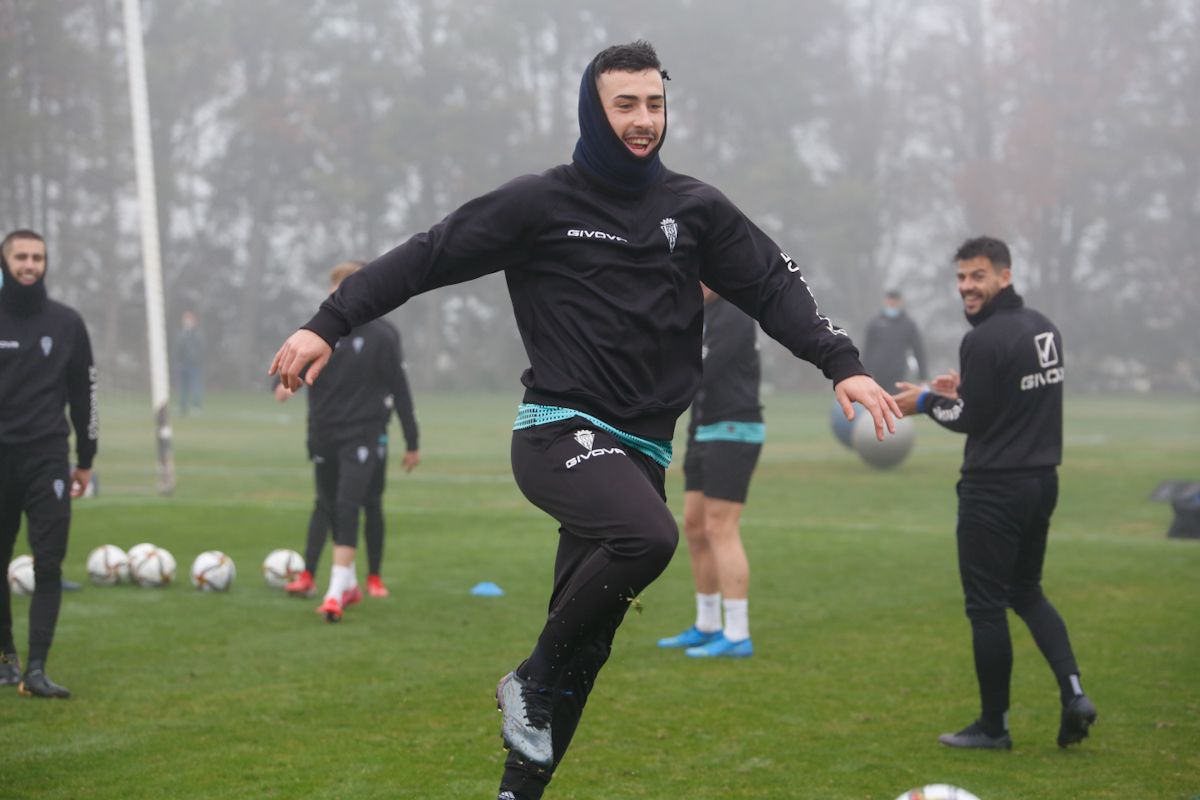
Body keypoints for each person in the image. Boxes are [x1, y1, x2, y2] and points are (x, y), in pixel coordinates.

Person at [270, 41, 899, 800]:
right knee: (650, 538)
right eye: (625, 105)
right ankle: (527, 679)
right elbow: (426, 256)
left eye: (654, 104)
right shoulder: (539, 203)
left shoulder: (695, 209)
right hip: (557, 430)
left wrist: (843, 362)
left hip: (640, 451)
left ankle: (517, 786)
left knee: (586, 649)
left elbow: (773, 282)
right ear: (593, 110)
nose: (643, 121)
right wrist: (327, 324)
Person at [893, 235, 1097, 750]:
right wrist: (959, 389)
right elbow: (1011, 397)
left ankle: (993, 726)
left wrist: (924, 402)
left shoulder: (984, 339)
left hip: (993, 489)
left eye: (977, 276)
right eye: (961, 277)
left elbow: (973, 419)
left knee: (985, 607)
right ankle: (1074, 693)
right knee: (1027, 591)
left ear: (1005, 275)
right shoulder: (1042, 329)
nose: (967, 287)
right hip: (1041, 481)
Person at [274, 261, 419, 620]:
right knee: (326, 502)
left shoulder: (383, 336)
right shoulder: (318, 333)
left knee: (351, 503)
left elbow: (401, 390)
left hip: (366, 434)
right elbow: (287, 368)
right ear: (330, 292)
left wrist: (412, 440)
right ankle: (336, 580)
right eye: (338, 290)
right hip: (324, 433)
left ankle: (337, 590)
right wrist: (282, 384)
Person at [0, 229, 98, 699]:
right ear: (5, 260)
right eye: (20, 256)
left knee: (49, 564)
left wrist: (87, 459)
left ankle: (35, 670)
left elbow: (86, 395)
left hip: (48, 459)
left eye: (37, 257)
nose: (29, 264)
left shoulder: (67, 322)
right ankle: (5, 660)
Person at [657, 283, 762, 658]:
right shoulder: (697, 314)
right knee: (696, 527)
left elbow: (701, 371)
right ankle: (707, 624)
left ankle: (737, 634)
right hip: (702, 430)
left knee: (721, 527)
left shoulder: (735, 313)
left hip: (734, 429)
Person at [863, 289, 927, 392]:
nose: (892, 304)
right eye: (889, 301)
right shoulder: (875, 323)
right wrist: (865, 373)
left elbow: (918, 351)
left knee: (896, 403)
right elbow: (868, 350)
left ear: (900, 302)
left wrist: (922, 377)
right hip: (877, 374)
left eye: (894, 302)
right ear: (885, 301)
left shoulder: (908, 324)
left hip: (898, 374)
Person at [174, 310, 204, 415]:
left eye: (189, 320)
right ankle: (183, 407)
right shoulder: (181, 334)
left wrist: (196, 360)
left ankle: (196, 407)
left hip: (194, 365)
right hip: (182, 365)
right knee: (183, 388)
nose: (187, 322)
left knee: (195, 386)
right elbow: (178, 349)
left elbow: (200, 349)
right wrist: (178, 361)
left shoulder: (197, 334)